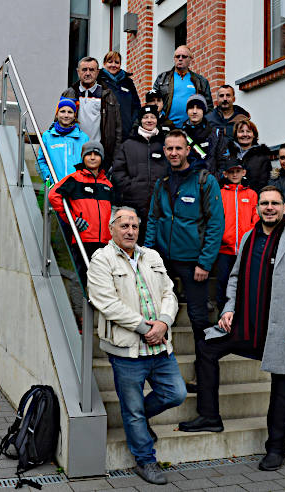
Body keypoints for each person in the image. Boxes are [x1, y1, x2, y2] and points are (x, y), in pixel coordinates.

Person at [178, 186, 285, 473]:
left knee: (282, 386)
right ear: (257, 208)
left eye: (275, 203)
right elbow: (233, 277)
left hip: (280, 331)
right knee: (207, 348)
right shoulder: (248, 237)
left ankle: (276, 448)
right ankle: (209, 416)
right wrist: (229, 308)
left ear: (283, 207)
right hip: (245, 325)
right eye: (264, 203)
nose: (269, 208)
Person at [87, 207, 186, 485]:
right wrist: (145, 328)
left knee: (175, 393)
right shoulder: (101, 259)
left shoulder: (151, 256)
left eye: (134, 226)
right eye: (124, 226)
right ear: (111, 229)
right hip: (127, 351)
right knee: (131, 410)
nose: (130, 231)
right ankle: (145, 460)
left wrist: (164, 323)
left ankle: (138, 423)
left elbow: (169, 293)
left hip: (160, 346)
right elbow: (106, 303)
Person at [144, 130, 224, 350]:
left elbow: (216, 224)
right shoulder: (163, 182)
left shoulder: (204, 181)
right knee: (157, 314)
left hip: (193, 262)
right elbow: (154, 218)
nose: (173, 152)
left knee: (199, 319)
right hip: (163, 260)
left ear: (188, 150)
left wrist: (205, 262)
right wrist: (149, 254)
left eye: (178, 148)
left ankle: (205, 377)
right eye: (169, 148)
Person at [48, 141, 113, 284]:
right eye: (88, 154)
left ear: (102, 158)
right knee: (82, 278)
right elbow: (54, 195)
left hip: (105, 241)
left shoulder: (107, 184)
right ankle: (80, 305)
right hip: (82, 238)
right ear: (82, 157)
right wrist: (72, 219)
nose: (92, 157)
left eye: (96, 154)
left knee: (102, 279)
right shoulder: (75, 178)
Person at [111, 105, 169, 244]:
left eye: (153, 117)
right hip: (134, 205)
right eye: (145, 117)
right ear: (140, 120)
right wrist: (131, 189)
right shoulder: (128, 144)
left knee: (157, 245)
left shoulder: (164, 143)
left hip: (160, 205)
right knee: (133, 244)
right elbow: (118, 171)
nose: (149, 120)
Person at [63, 56, 123, 172]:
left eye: (92, 70)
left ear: (98, 72)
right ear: (78, 72)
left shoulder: (108, 95)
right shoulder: (69, 94)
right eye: (84, 70)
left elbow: (118, 130)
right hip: (74, 153)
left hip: (98, 155)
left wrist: (115, 159)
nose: (88, 73)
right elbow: (58, 121)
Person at [215, 157, 259, 311]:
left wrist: (251, 240)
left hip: (245, 249)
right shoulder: (219, 194)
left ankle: (241, 317)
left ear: (244, 172)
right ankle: (223, 317)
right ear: (225, 174)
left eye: (238, 171)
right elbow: (215, 218)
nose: (235, 174)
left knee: (244, 284)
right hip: (224, 250)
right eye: (231, 172)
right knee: (223, 284)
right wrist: (221, 238)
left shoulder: (252, 194)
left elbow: (256, 219)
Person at [152, 45, 213, 127]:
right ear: (174, 58)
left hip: (192, 128)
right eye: (177, 56)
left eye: (184, 56)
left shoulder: (201, 81)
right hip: (167, 127)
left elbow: (208, 107)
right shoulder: (162, 79)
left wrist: (203, 125)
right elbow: (153, 103)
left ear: (190, 59)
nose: (180, 59)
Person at [37, 97, 89, 184]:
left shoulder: (83, 138)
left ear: (74, 115)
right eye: (62, 111)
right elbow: (41, 161)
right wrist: (50, 181)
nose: (66, 115)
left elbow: (87, 164)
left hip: (77, 189)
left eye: (70, 112)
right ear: (56, 114)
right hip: (55, 188)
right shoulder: (47, 136)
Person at [181, 94, 229, 178]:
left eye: (199, 108)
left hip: (210, 184)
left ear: (204, 110)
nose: (194, 111)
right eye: (191, 107)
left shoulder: (216, 133)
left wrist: (214, 181)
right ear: (187, 111)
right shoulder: (180, 134)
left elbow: (223, 161)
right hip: (186, 184)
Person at [98, 50, 141, 134]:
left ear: (120, 64)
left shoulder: (128, 83)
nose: (113, 65)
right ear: (104, 64)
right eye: (110, 62)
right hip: (105, 132)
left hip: (126, 131)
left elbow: (136, 106)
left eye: (117, 62)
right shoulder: (98, 81)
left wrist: (133, 125)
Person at [227, 119, 271, 193]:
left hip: (253, 199)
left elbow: (265, 183)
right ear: (236, 135)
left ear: (254, 135)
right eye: (241, 131)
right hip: (231, 200)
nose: (245, 134)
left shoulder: (262, 157)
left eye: (248, 131)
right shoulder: (228, 155)